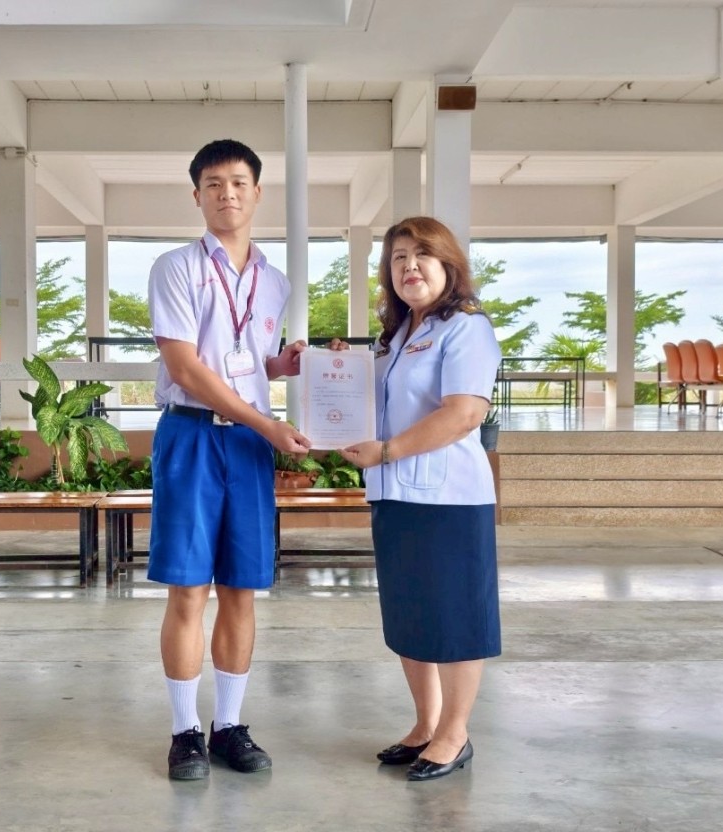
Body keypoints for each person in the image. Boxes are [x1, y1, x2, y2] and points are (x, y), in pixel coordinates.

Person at [147, 138, 312, 781]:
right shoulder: (175, 268)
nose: (227, 194)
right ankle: (185, 731)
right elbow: (187, 368)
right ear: (197, 196)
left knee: (241, 588)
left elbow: (243, 363)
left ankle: (229, 727)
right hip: (192, 436)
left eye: (239, 182)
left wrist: (280, 366)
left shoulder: (276, 281)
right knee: (189, 588)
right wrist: (267, 422)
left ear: (257, 192)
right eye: (214, 184)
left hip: (246, 445)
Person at [340, 216, 502, 783]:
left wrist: (388, 452)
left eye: (422, 255)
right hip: (395, 495)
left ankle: (455, 733)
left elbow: (464, 413)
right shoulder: (394, 337)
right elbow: (370, 402)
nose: (409, 266)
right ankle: (426, 724)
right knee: (411, 614)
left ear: (447, 265)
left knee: (455, 617)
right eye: (398, 257)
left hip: (449, 499)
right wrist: (335, 368)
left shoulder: (466, 328)